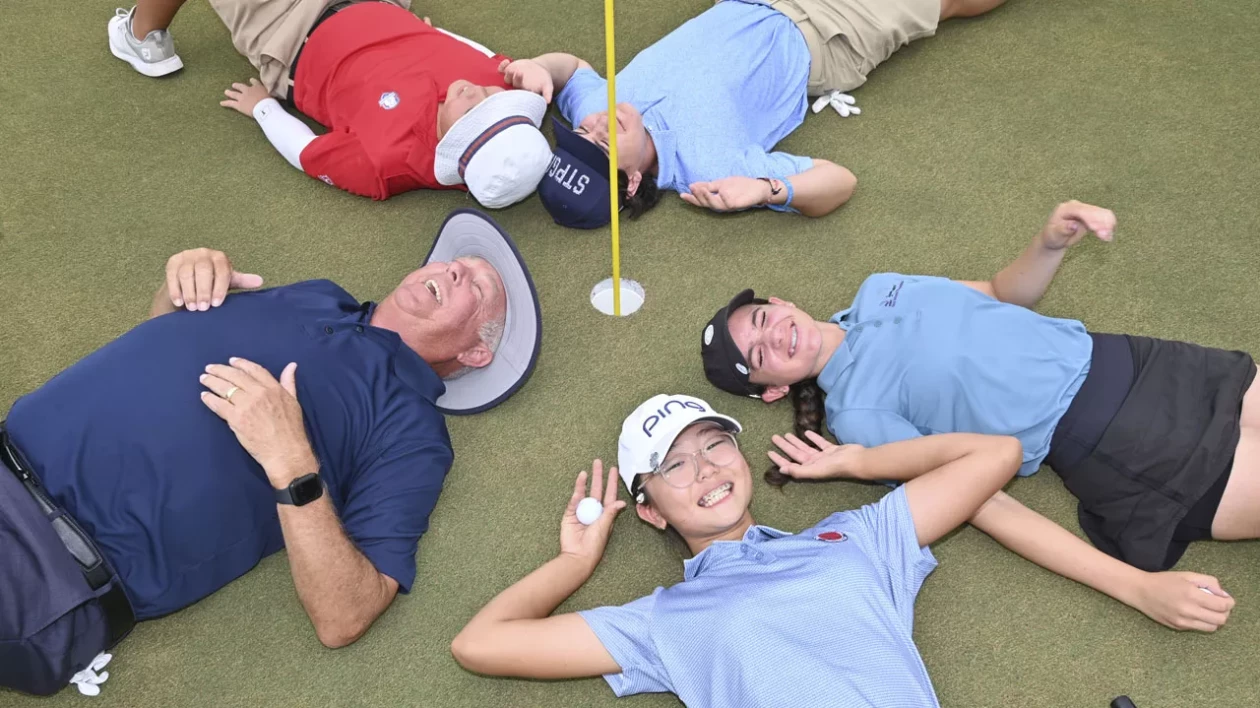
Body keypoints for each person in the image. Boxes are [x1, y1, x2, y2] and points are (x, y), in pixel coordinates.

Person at [0, 209, 542, 696]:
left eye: (476, 283)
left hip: (47, 561)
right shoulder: (320, 293)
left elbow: (345, 616)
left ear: (475, 351)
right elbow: (160, 351)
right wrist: (178, 293)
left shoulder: (413, 434)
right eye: (457, 261)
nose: (452, 268)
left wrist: (290, 460)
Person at [699, 199, 1252, 631]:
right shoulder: (857, 417)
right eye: (757, 355)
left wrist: (1049, 242)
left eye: (762, 318)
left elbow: (997, 294)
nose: (773, 335)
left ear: (782, 303)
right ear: (772, 392)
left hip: (1143, 359)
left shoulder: (881, 288)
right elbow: (990, 505)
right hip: (1123, 444)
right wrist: (1136, 588)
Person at [450, 394, 1026, 706]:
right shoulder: (664, 619)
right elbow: (478, 644)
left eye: (715, 444)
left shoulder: (855, 536)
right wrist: (574, 564)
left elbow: (995, 454)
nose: (704, 469)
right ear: (649, 510)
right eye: (674, 464)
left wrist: (856, 462)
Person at [494, 0, 1008, 228]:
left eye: (583, 130)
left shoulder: (598, 109)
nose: (597, 125)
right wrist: (768, 190)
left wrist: (540, 68)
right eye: (601, 144)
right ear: (631, 182)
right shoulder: (710, 172)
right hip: (827, 33)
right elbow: (838, 182)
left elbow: (571, 70)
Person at [108, 1, 552, 207]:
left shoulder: (386, 161)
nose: (476, 92)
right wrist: (422, 31)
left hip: (283, 29)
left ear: (453, 146)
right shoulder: (500, 86)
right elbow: (465, 48)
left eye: (474, 112)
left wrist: (263, 108)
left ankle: (143, 36)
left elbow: (306, 153)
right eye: (495, 101)